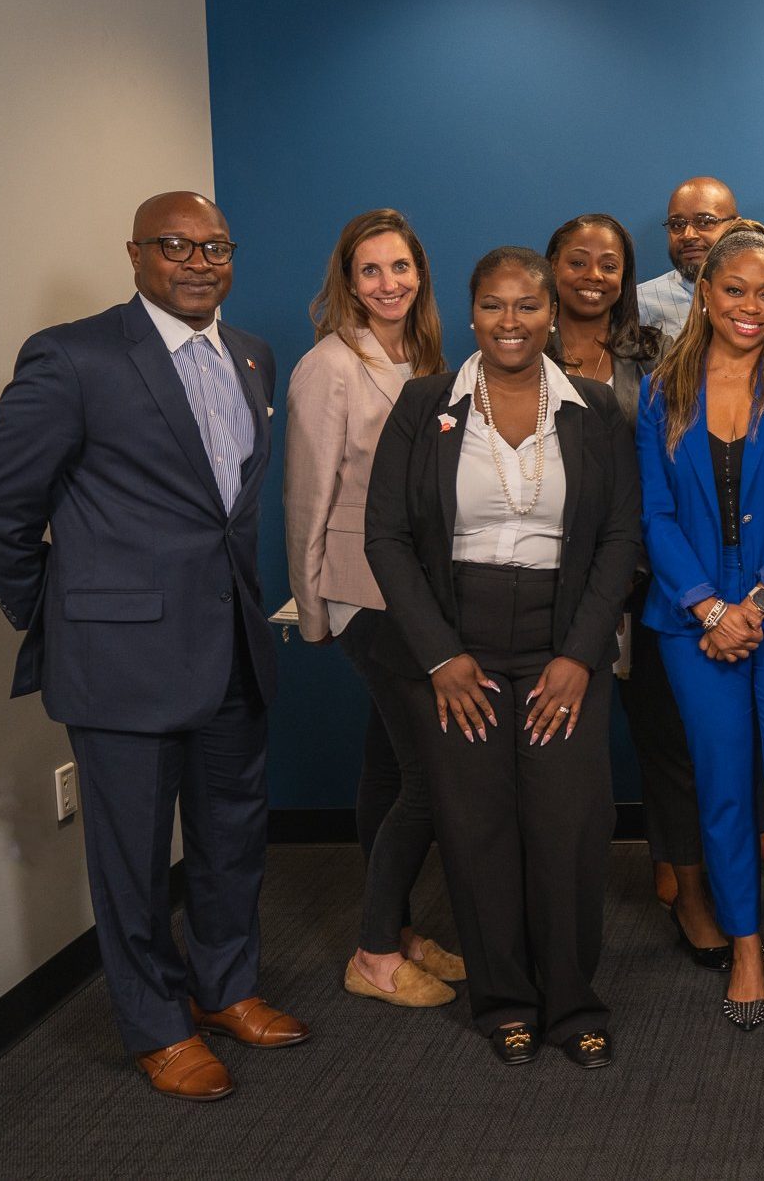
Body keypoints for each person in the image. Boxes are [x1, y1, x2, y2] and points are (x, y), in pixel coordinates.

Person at [0, 191, 306, 1101]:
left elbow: (224, 510)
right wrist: (57, 611)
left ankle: (226, 986)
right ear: (134, 254)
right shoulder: (75, 355)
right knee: (129, 857)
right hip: (118, 664)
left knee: (232, 836)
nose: (200, 261)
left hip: (232, 647)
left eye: (216, 245)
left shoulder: (252, 356)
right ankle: (156, 1026)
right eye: (176, 245)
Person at [363, 247, 642, 1069]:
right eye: (493, 306)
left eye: (527, 306)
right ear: (472, 311)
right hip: (458, 640)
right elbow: (385, 537)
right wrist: (440, 655)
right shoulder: (424, 406)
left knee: (568, 825)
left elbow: (621, 537)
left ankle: (571, 1000)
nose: (511, 323)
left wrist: (582, 656)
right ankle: (506, 1001)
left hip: (565, 637)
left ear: (552, 312)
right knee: (477, 825)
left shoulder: (593, 408)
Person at [637, 220, 764, 1064]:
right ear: (705, 295)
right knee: (721, 791)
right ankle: (747, 952)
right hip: (693, 628)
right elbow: (652, 514)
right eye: (735, 291)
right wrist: (705, 608)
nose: (751, 308)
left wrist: (753, 603)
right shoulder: (663, 389)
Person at [284, 208, 464, 1008]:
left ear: (419, 274)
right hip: (363, 593)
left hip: (417, 589)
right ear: (347, 282)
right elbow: (305, 497)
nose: (388, 283)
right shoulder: (330, 366)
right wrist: (316, 611)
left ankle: (392, 922)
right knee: (431, 774)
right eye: (370, 271)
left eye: (400, 268)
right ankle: (374, 954)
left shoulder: (424, 357)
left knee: (387, 767)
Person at [544, 214, 728, 970]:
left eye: (610, 264)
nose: (594, 275)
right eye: (578, 261)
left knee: (670, 743)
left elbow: (672, 463)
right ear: (553, 267)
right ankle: (553, 910)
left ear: (627, 276)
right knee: (559, 757)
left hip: (645, 575)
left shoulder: (650, 351)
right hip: (549, 583)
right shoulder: (520, 348)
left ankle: (689, 893)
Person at [635, 176, 738, 339]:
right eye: (677, 224)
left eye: (704, 221)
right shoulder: (639, 304)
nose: (688, 235)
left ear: (734, 227)